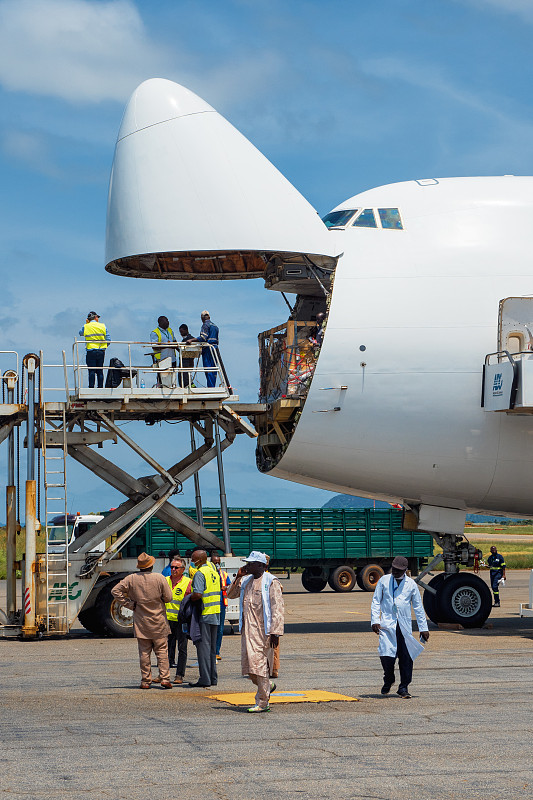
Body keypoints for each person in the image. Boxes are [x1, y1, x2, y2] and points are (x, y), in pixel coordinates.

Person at [227, 551, 284, 713]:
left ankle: (262, 702)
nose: (247, 565)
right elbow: (231, 594)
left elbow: (277, 608)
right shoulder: (246, 581)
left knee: (258, 665)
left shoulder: (270, 582)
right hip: (247, 631)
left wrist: (275, 632)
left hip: (263, 632)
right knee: (249, 667)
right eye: (247, 563)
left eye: (251, 563)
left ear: (261, 565)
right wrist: (238, 576)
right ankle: (267, 685)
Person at [111, 552, 173, 689]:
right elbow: (169, 597)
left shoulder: (131, 578)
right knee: (162, 652)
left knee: (144, 653)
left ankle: (146, 681)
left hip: (141, 621)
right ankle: (165, 678)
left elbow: (115, 591)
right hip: (159, 621)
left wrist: (129, 604)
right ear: (152, 565)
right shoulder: (159, 578)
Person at [371, 555, 429, 699]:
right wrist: (374, 620)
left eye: (399, 570)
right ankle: (389, 679)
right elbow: (376, 601)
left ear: (405, 570)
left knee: (406, 658)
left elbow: (418, 607)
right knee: (386, 655)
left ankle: (403, 687)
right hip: (387, 624)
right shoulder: (384, 581)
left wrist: (423, 627)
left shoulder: (411, 584)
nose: (395, 572)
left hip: (404, 627)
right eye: (394, 569)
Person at [188, 548, 221, 687]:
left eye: (193, 559)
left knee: (203, 648)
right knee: (212, 649)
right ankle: (213, 678)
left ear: (200, 560)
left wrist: (189, 598)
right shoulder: (212, 570)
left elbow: (198, 594)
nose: (191, 561)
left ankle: (205, 679)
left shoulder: (200, 573)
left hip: (205, 613)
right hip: (216, 612)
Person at [164, 558, 191, 684]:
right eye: (172, 567)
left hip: (181, 621)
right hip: (167, 620)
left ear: (183, 570)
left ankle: (179, 675)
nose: (173, 569)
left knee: (182, 648)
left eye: (176, 567)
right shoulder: (165, 581)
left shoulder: (188, 582)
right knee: (166, 648)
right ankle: (164, 674)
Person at [79, 311, 110, 389]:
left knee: (91, 371)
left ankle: (91, 388)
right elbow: (109, 339)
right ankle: (100, 388)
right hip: (101, 351)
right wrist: (104, 347)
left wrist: (86, 324)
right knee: (100, 371)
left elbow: (81, 333)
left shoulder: (86, 326)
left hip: (91, 351)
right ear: (95, 318)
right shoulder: (103, 326)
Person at [211, 553, 230, 661]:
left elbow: (229, 585)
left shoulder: (223, 574)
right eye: (215, 562)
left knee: (220, 629)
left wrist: (225, 587)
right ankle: (210, 651)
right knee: (211, 629)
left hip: (221, 605)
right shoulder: (209, 574)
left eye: (218, 562)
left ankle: (217, 651)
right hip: (211, 605)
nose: (217, 564)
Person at [195, 310, 219, 388]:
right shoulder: (215, 326)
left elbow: (203, 337)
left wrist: (192, 340)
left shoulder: (205, 325)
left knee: (208, 369)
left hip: (208, 349)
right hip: (215, 349)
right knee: (214, 369)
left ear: (202, 318)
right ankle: (212, 386)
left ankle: (210, 387)